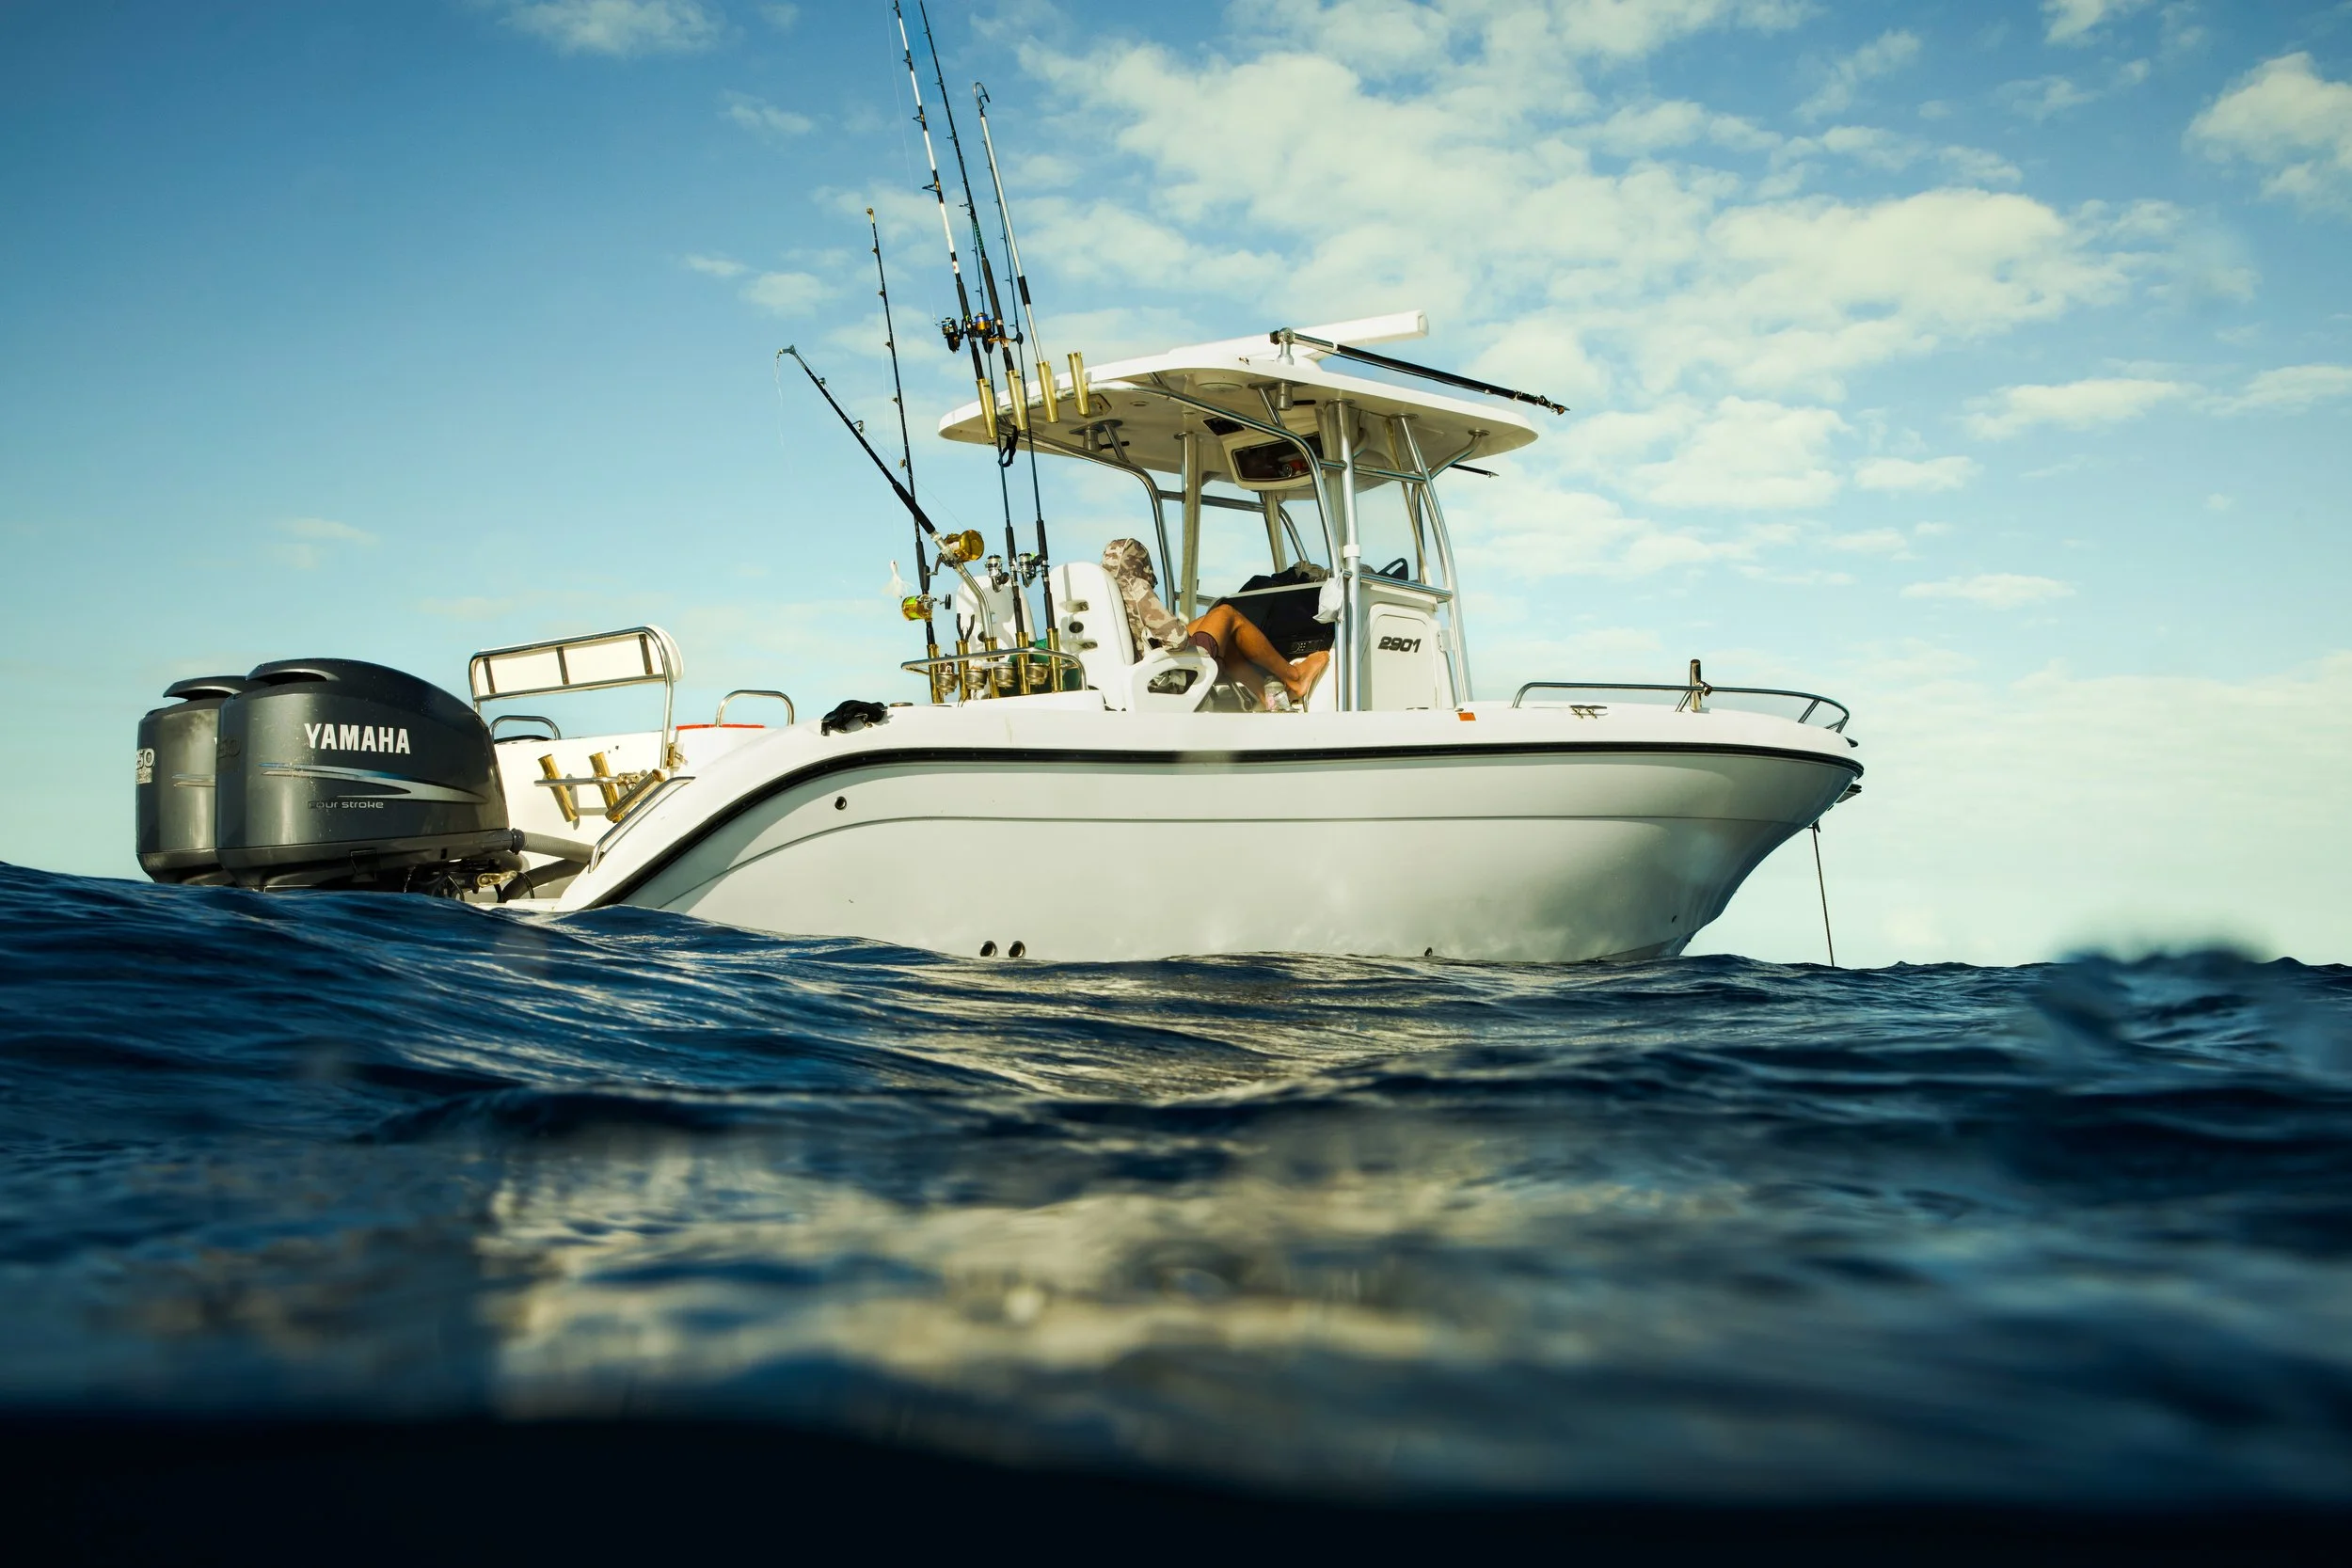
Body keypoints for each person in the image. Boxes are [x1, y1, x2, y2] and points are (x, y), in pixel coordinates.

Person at [1102, 538, 1329, 709]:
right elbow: (1177, 640)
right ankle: (1294, 677)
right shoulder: (1134, 587)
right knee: (1226, 614)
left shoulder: (1102, 593)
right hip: (1166, 678)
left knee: (1216, 629)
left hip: (1139, 676)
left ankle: (1269, 700)